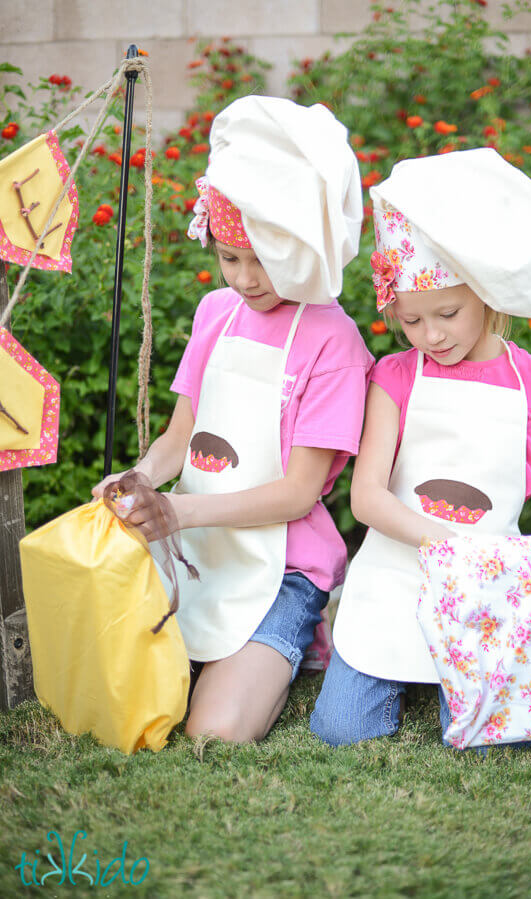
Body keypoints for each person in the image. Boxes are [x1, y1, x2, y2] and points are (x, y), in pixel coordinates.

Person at [92, 96, 373, 743]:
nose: (245, 278)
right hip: (200, 550)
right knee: (128, 691)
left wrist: (177, 512)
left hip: (281, 565)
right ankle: (242, 656)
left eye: (262, 260)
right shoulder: (216, 313)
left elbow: (299, 491)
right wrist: (138, 477)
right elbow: (179, 436)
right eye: (229, 257)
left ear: (301, 247)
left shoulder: (332, 338)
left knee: (212, 731)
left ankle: (297, 635)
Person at [310, 147, 531, 747]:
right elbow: (366, 499)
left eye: (447, 313)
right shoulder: (395, 377)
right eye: (411, 322)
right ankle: (393, 662)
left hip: (489, 590)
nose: (431, 336)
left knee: (503, 735)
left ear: (488, 296)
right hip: (399, 572)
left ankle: (450, 680)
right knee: (344, 730)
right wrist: (452, 547)